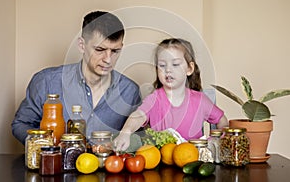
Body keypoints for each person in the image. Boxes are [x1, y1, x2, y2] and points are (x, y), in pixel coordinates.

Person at [12, 11, 141, 145]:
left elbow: (138, 138)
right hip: (57, 164)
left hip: (107, 165)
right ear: (81, 45)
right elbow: (21, 124)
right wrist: (46, 145)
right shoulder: (47, 81)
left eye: (115, 51)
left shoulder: (130, 91)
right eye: (100, 49)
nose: (108, 59)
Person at [113, 38, 228, 151]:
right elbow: (138, 115)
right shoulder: (154, 99)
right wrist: (125, 132)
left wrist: (215, 141)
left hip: (194, 161)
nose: (168, 70)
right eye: (162, 65)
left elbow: (222, 120)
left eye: (175, 64)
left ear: (189, 68)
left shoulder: (200, 100)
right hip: (161, 163)